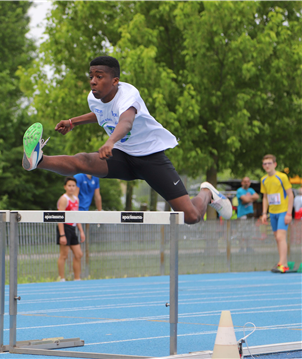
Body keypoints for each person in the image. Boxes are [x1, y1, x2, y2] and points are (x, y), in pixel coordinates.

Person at [22, 56, 232, 224]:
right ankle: (38, 160)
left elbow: (125, 122)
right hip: (123, 157)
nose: (93, 81)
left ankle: (207, 193)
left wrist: (110, 141)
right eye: (91, 76)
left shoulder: (128, 96)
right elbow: (102, 114)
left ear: (115, 81)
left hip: (150, 158)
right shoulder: (93, 98)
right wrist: (73, 121)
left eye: (99, 76)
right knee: (83, 161)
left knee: (191, 217)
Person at [260, 155, 294, 273]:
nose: (267, 166)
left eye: (269, 163)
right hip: (272, 212)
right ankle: (283, 262)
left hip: (283, 211)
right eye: (265, 164)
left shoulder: (282, 177)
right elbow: (265, 197)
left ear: (275, 164)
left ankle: (282, 263)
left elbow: (290, 195)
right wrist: (264, 213)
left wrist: (289, 213)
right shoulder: (264, 179)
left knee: (281, 237)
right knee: (277, 238)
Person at [57, 177, 86, 281]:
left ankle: (77, 278)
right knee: (64, 255)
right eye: (69, 185)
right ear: (65, 187)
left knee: (79, 254)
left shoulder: (76, 199)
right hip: (64, 227)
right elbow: (59, 217)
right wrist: (62, 234)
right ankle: (62, 279)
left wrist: (81, 231)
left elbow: (76, 216)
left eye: (73, 186)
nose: (71, 188)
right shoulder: (64, 199)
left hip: (73, 228)